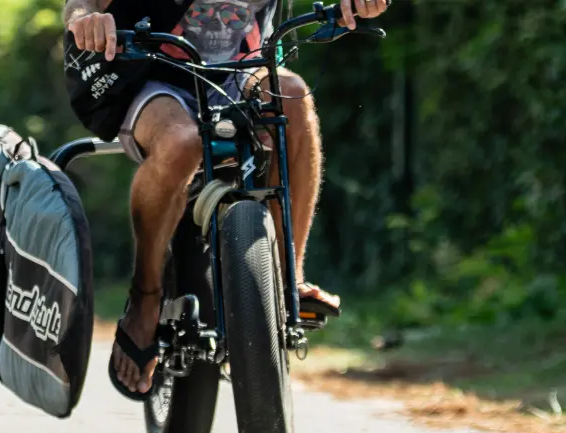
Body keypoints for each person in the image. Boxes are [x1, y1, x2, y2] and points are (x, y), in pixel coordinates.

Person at [61, 0, 388, 397]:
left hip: (243, 74)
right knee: (182, 143)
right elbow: (82, 3)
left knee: (294, 95)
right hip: (155, 75)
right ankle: (145, 296)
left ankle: (289, 277)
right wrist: (85, 22)